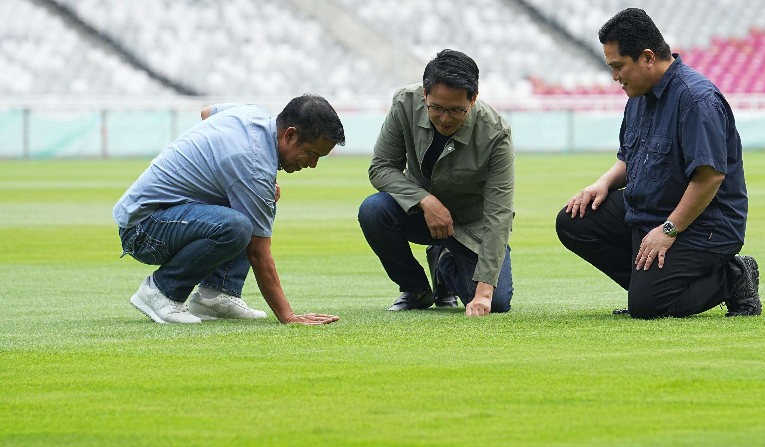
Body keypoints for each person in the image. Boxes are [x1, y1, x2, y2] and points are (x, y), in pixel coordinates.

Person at [555, 8, 761, 319]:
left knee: (649, 308)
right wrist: (602, 183)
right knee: (574, 220)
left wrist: (668, 229)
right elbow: (630, 157)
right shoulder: (638, 94)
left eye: (619, 66)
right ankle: (649, 285)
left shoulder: (696, 99)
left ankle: (734, 276)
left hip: (704, 225)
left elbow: (709, 177)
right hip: (648, 212)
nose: (615, 77)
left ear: (648, 57)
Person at [113, 95, 345, 325]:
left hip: (160, 215)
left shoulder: (257, 116)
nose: (313, 164)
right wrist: (289, 317)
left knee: (261, 200)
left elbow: (207, 112)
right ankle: (161, 292)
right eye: (313, 154)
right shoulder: (253, 164)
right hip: (143, 229)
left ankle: (216, 296)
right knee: (240, 225)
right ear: (290, 135)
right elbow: (258, 252)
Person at [358, 49, 515, 316]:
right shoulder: (404, 103)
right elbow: (381, 167)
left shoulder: (496, 133)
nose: (445, 118)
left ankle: (444, 261)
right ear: (424, 94)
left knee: (497, 304)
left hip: (470, 228)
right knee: (374, 210)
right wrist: (425, 201)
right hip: (420, 214)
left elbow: (499, 214)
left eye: (456, 110)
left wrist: (485, 292)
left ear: (473, 99)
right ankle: (416, 289)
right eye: (437, 108)